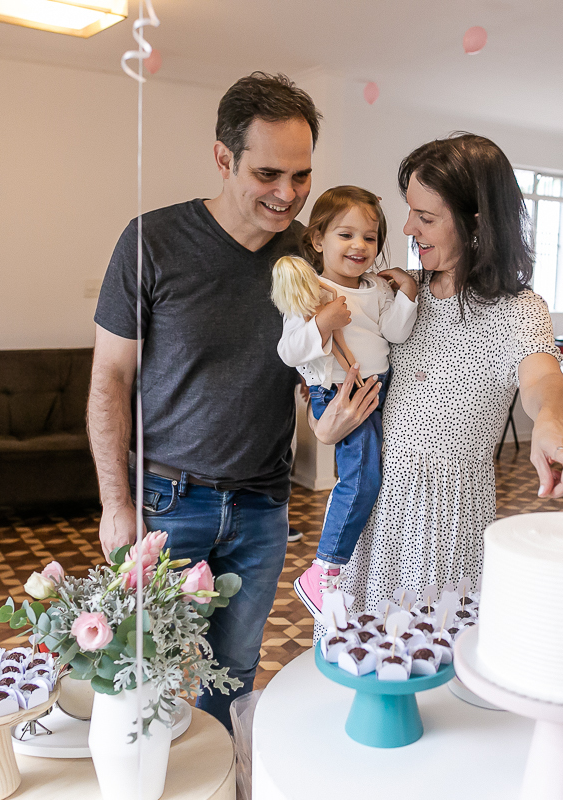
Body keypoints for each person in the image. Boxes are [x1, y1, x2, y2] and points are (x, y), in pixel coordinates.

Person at [88, 73, 380, 729]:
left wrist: (327, 422)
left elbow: (319, 361)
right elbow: (110, 376)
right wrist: (115, 503)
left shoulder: (309, 255)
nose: (289, 195)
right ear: (224, 158)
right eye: (269, 173)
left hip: (262, 510)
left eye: (302, 175)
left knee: (233, 678)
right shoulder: (152, 241)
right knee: (144, 680)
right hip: (166, 503)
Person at [315, 133, 563, 614]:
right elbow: (334, 364)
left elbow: (543, 378)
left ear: (475, 221)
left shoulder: (517, 310)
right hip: (372, 509)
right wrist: (326, 426)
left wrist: (552, 421)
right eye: (409, 212)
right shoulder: (396, 292)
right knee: (359, 655)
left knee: (432, 659)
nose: (406, 228)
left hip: (446, 525)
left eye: (424, 217)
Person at [271, 186, 418, 615]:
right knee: (361, 480)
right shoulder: (310, 289)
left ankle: (347, 569)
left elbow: (396, 333)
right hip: (340, 392)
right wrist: (323, 321)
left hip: (378, 388)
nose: (359, 246)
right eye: (345, 235)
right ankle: (323, 570)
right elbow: (289, 352)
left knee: (375, 479)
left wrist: (407, 291)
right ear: (318, 240)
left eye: (369, 238)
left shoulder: (376, 288)